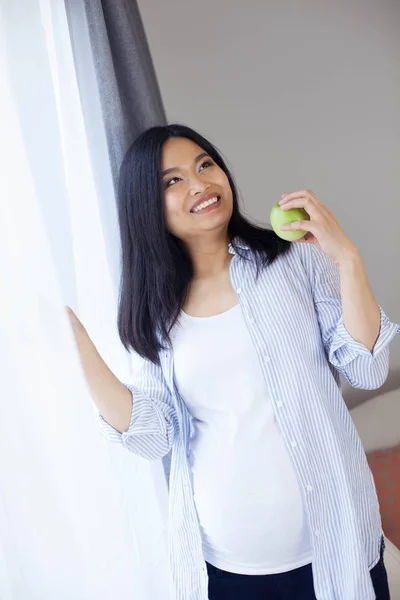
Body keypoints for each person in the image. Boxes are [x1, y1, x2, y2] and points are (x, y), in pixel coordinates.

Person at [67, 124, 399, 600]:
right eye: (172, 181)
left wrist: (347, 260)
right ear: (147, 207)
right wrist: (75, 343)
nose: (200, 184)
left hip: (338, 549)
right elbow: (151, 434)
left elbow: (366, 369)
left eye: (205, 165)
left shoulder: (295, 261)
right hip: (227, 569)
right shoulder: (155, 312)